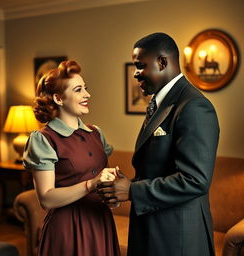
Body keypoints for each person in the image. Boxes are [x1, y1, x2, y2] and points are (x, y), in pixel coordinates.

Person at [97, 32, 220, 256]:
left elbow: (195, 180)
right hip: (151, 229)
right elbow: (157, 169)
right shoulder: (159, 102)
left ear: (162, 62)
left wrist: (132, 190)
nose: (135, 73)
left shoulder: (194, 106)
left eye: (140, 66)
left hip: (177, 236)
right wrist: (122, 185)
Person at [23, 60, 121, 256]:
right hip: (67, 229)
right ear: (59, 98)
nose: (87, 95)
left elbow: (104, 182)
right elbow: (46, 198)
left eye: (85, 88)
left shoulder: (96, 133)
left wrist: (113, 193)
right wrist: (91, 184)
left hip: (101, 222)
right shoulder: (43, 139)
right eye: (78, 90)